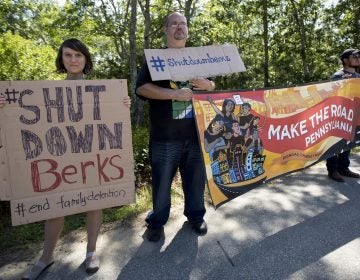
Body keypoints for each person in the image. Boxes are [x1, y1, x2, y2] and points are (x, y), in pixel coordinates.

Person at [14, 38, 131, 279]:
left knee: (94, 203)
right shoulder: (46, 94)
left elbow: (111, 120)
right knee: (55, 208)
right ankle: (46, 257)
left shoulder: (102, 92)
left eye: (78, 55)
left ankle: (91, 252)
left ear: (86, 59)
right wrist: (8, 104)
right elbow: (21, 116)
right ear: (62, 59)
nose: (74, 60)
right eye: (68, 55)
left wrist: (122, 104)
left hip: (92, 160)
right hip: (62, 162)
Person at [136, 12, 215, 242]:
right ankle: (157, 221)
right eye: (174, 24)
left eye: (183, 23)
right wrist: (174, 94)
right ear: (166, 29)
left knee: (195, 181)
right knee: (161, 185)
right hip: (165, 136)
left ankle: (195, 216)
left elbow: (213, 86)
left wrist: (208, 84)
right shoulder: (155, 58)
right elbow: (141, 88)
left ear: (187, 29)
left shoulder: (198, 57)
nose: (179, 27)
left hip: (196, 134)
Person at [327, 48, 360, 182]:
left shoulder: (358, 77)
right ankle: (333, 170)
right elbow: (330, 95)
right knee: (335, 143)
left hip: (353, 115)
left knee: (348, 141)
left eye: (359, 56)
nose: (358, 58)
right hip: (338, 116)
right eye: (354, 56)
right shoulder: (338, 76)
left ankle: (344, 168)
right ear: (345, 60)